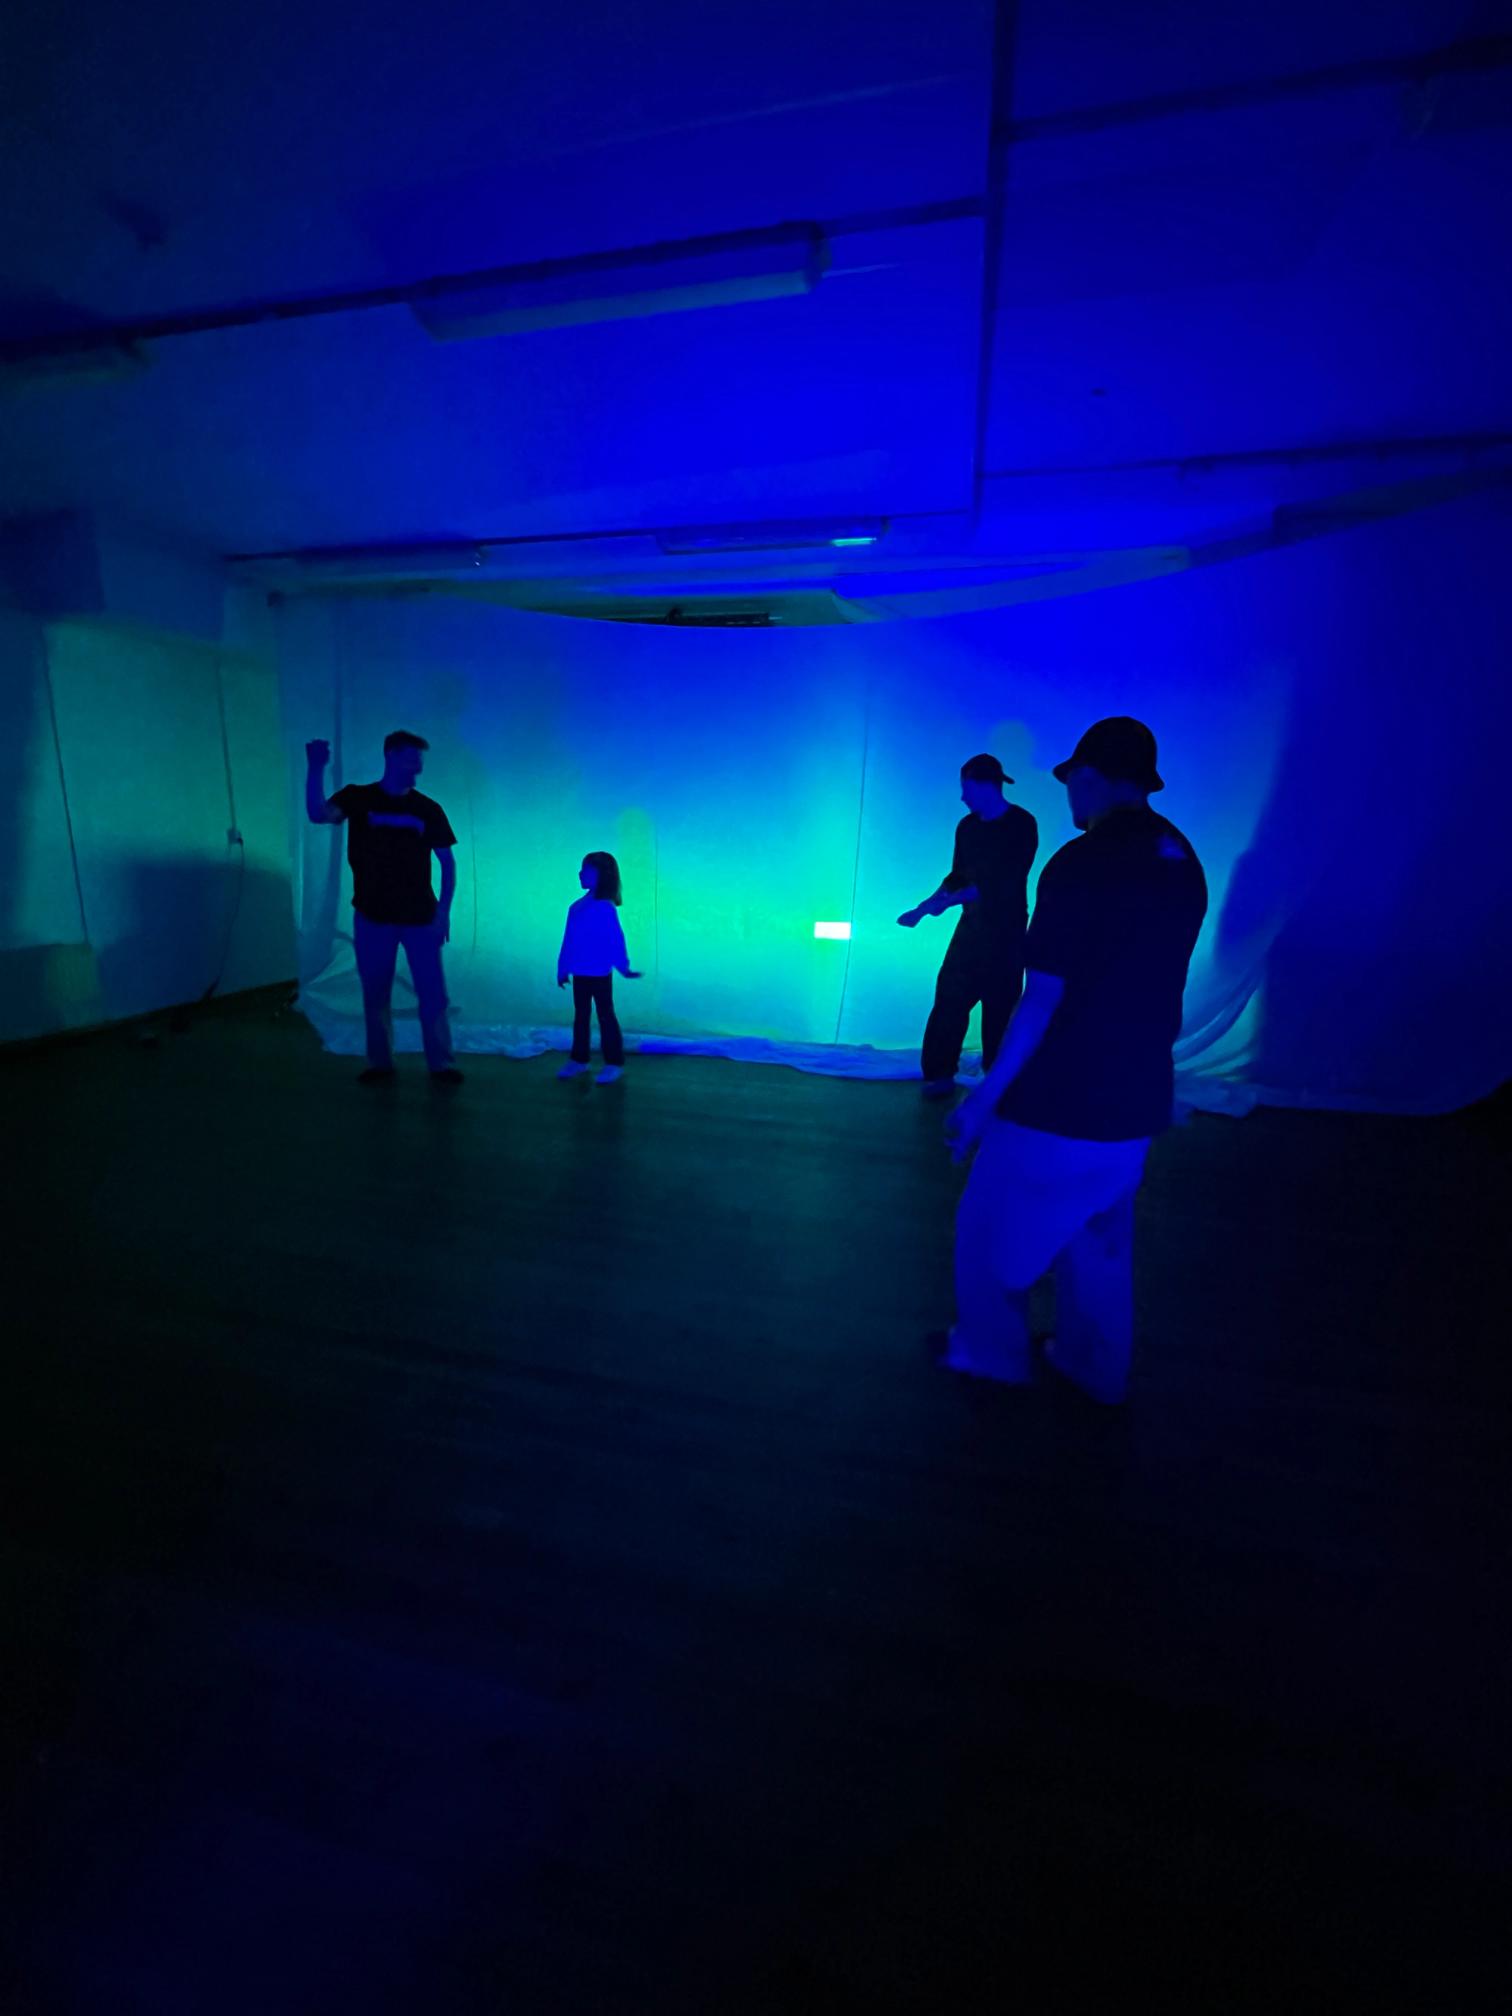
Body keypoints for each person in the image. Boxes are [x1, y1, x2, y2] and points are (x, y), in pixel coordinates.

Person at [939, 718, 1207, 1404]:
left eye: (1072, 781)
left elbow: (1041, 1000)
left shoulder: (1080, 863)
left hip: (1061, 1097)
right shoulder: (1181, 856)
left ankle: (991, 1356)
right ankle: (1093, 1366)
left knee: (988, 1233)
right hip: (1136, 1098)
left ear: (1089, 778)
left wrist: (985, 1099)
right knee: (1100, 1242)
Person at [304, 730, 463, 1086]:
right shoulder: (358, 798)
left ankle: (440, 1064)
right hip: (373, 915)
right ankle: (381, 1063)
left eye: (419, 761)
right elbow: (318, 813)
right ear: (391, 755)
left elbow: (448, 863)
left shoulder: (428, 808)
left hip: (419, 916)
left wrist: (443, 912)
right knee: (375, 993)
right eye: (411, 759)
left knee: (432, 994)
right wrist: (315, 768)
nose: (417, 767)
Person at [898, 754, 1038, 1098]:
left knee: (1000, 1007)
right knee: (949, 997)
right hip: (972, 929)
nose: (963, 797)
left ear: (985, 786)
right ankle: (939, 1074)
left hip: (1006, 933)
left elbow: (1001, 882)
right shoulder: (967, 827)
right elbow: (958, 876)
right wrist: (926, 906)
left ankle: (998, 1080)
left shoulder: (1021, 824)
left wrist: (943, 903)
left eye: (966, 788)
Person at [556, 852, 642, 1084]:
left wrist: (623, 966)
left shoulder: (604, 908)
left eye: (586, 870)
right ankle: (579, 1059)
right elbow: (568, 941)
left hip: (600, 973)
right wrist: (563, 968)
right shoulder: (576, 907)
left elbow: (615, 940)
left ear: (601, 875)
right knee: (581, 1017)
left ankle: (613, 1062)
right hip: (580, 973)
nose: (580, 874)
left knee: (605, 1016)